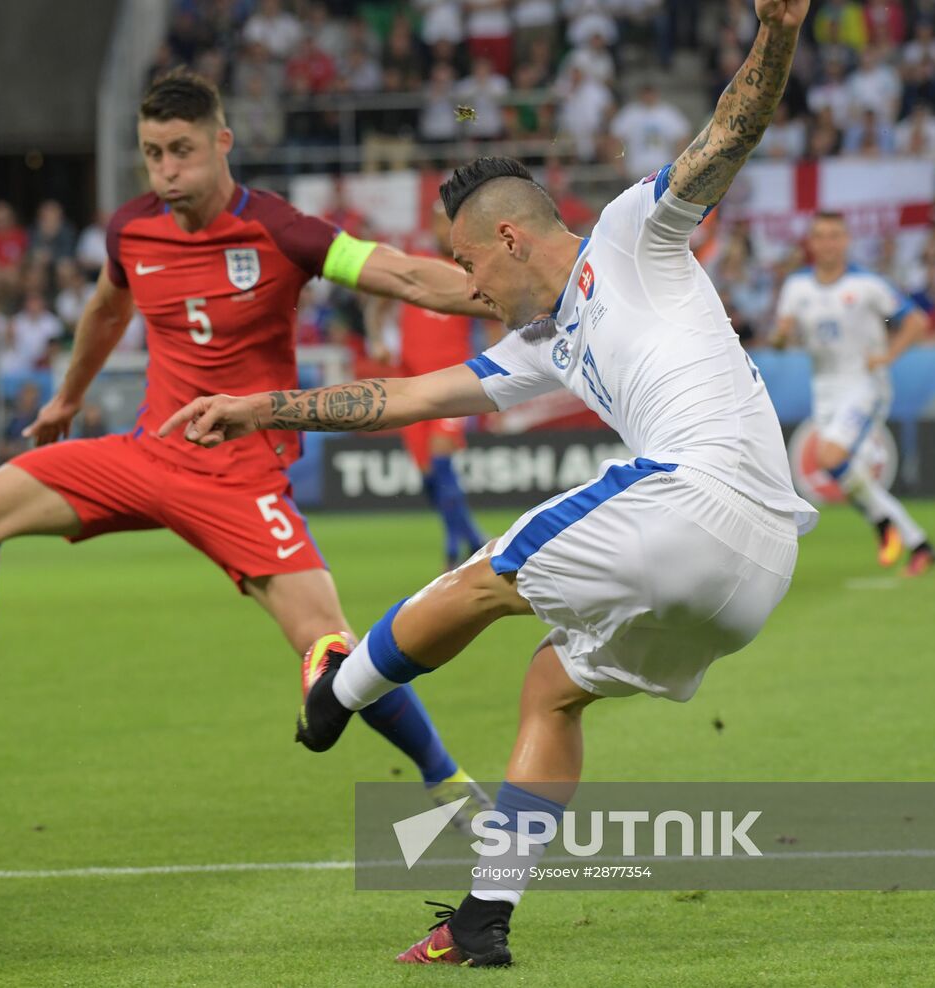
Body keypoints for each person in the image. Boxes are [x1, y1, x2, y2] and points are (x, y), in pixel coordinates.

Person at [161, 1, 815, 966]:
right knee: (551, 689)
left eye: (467, 265)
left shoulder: (633, 238)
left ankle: (337, 693)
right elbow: (398, 399)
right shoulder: (543, 344)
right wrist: (261, 409)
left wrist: (779, 31)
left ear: (509, 240)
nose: (467, 289)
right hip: (760, 573)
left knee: (484, 576)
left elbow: (731, 132)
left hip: (695, 497)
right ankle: (481, 922)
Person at [0, 68, 496, 819]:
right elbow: (108, 310)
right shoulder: (131, 230)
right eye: (153, 154)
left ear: (222, 142)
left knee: (332, 650)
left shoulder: (283, 231)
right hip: (146, 456)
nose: (168, 171)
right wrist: (69, 397)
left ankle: (448, 782)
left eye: (182, 150)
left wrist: (514, 290)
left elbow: (399, 274)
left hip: (240, 475)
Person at [770, 211, 935, 575]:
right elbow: (781, 337)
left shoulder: (867, 285)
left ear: (845, 241)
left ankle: (884, 528)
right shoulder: (797, 287)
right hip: (825, 388)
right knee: (851, 475)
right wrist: (780, 338)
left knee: (829, 458)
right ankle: (918, 544)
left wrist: (888, 356)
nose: (827, 243)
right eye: (820, 236)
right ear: (811, 243)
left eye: (834, 235)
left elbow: (917, 321)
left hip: (864, 384)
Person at [376, 200, 487, 569]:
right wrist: (378, 337)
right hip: (411, 385)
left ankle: (463, 548)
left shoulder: (474, 270)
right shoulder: (417, 265)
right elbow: (378, 298)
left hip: (455, 384)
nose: (444, 233)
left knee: (441, 463)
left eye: (450, 226)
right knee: (427, 477)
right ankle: (466, 542)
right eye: (439, 224)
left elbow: (497, 318)